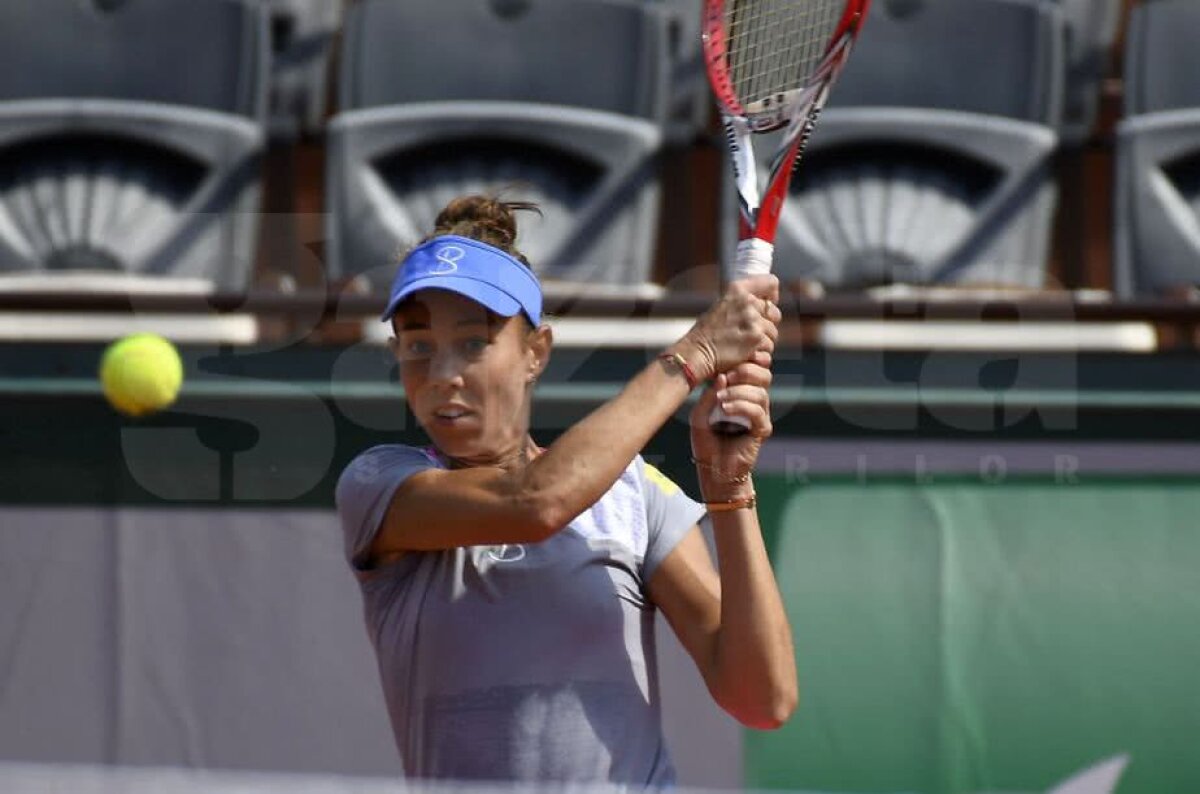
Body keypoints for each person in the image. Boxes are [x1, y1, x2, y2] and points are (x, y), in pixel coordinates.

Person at [336, 195, 796, 785]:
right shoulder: (379, 486)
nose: (443, 373)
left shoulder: (635, 495)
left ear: (535, 353)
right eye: (417, 345)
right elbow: (536, 503)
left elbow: (763, 699)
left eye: (474, 343)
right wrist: (693, 356)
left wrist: (728, 485)